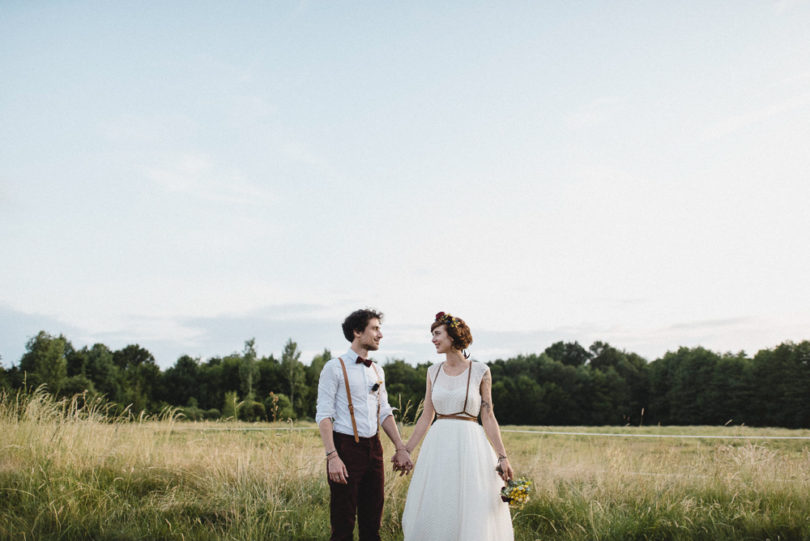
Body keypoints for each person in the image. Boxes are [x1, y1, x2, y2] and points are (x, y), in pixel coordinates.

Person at [399, 311, 514, 541]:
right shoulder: (433, 371)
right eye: (432, 334)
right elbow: (426, 416)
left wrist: (503, 457)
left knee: (473, 501)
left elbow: (488, 416)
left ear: (453, 335)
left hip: (471, 443)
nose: (433, 339)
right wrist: (406, 449)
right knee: (439, 500)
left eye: (437, 333)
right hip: (439, 444)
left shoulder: (480, 370)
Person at [315, 308, 413, 541]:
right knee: (343, 522)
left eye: (380, 329)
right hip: (346, 447)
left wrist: (400, 447)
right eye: (375, 328)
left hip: (374, 448)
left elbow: (385, 412)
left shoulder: (378, 370)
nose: (380, 335)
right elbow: (324, 415)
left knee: (372, 522)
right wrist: (332, 456)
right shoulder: (334, 367)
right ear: (357, 331)